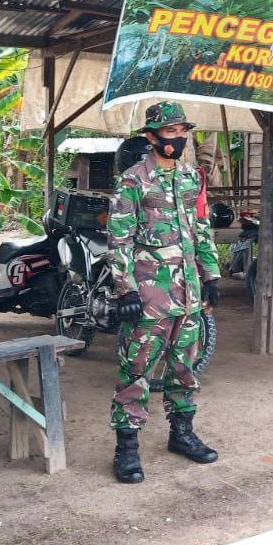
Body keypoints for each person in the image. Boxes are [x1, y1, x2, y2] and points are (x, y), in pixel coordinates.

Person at [106, 101, 221, 484]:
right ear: (151, 137)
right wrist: (125, 290)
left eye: (182, 130)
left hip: (188, 294)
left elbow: (200, 229)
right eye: (170, 132)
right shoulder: (133, 180)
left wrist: (212, 276)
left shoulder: (191, 177)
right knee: (136, 369)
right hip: (150, 294)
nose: (179, 138)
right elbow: (119, 239)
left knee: (184, 369)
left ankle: (182, 435)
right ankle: (126, 449)